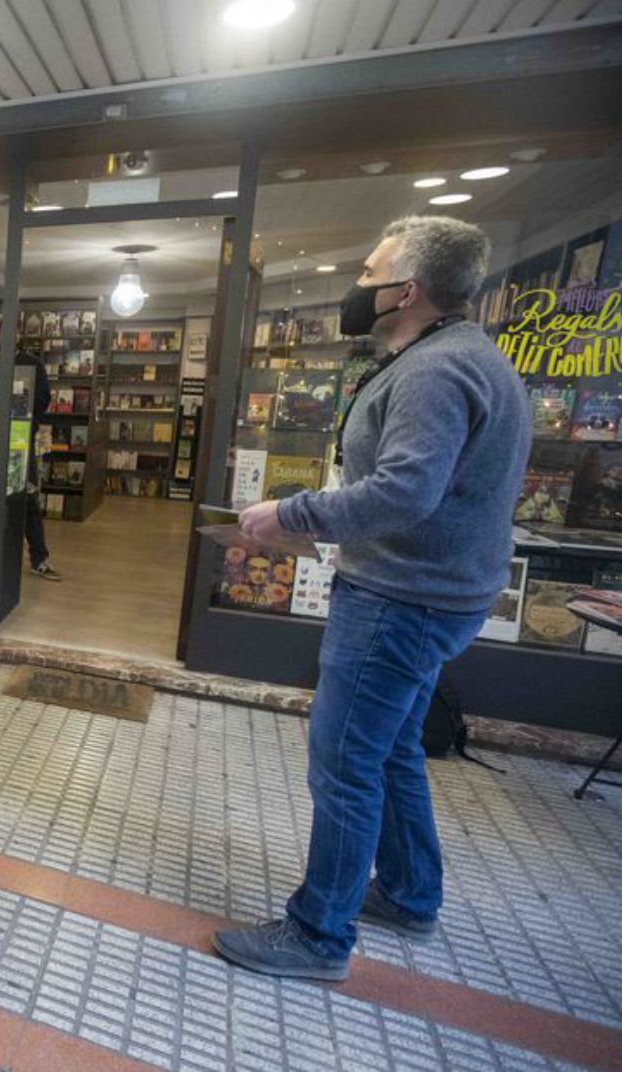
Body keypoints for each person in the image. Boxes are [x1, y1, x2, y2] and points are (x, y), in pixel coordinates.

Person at [213, 216, 531, 982]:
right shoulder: (463, 357)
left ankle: (319, 935)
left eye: (370, 271)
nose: (360, 284)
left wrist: (289, 515)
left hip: (402, 597)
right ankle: (413, 893)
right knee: (390, 749)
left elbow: (404, 491)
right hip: (435, 592)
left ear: (409, 290)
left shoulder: (433, 371)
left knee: (346, 759)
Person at [0, 347, 62, 581]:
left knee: (26, 495)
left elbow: (42, 399)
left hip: (18, 436)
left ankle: (37, 557)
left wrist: (27, 418)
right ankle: (29, 558)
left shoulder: (29, 364)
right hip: (0, 436)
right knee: (7, 496)